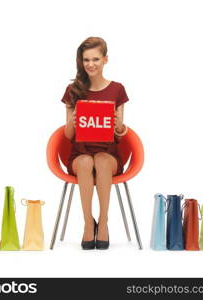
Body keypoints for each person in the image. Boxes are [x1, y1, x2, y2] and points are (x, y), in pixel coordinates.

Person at [61, 37, 129, 250]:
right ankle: (88, 223)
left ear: (105, 60)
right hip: (79, 153)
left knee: (99, 160)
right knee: (85, 162)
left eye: (96, 59)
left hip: (108, 154)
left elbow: (119, 134)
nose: (90, 64)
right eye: (86, 59)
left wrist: (119, 126)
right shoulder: (73, 90)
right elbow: (68, 135)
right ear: (81, 62)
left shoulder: (117, 89)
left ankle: (105, 222)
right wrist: (72, 122)